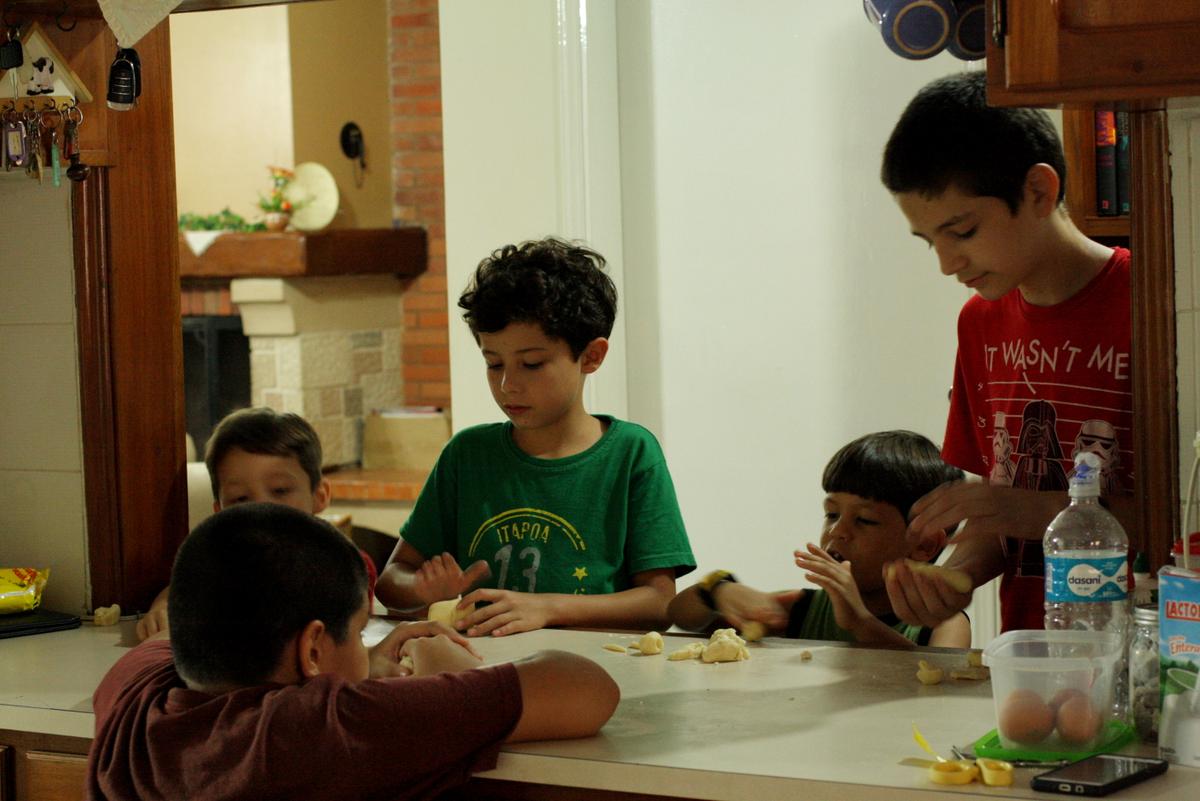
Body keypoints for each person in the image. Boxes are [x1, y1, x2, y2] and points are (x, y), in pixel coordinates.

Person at [87, 503, 619, 801]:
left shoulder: (131, 697)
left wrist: (364, 666)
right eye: (360, 633)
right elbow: (588, 689)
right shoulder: (328, 727)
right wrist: (442, 672)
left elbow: (161, 643)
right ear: (312, 649)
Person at [879, 70, 1133, 633]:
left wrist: (1039, 510)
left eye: (963, 231)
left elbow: (1183, 518)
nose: (946, 263)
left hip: (1149, 647)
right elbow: (999, 515)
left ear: (1038, 191)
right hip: (1034, 650)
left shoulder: (1154, 306)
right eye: (930, 241)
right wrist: (954, 576)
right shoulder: (979, 323)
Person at [376, 237, 696, 636]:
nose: (508, 384)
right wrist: (420, 588)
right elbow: (392, 580)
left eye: (531, 364)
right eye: (494, 364)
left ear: (592, 356)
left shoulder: (631, 454)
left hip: (598, 667)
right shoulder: (467, 454)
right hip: (482, 664)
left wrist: (546, 608)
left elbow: (659, 604)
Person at [668, 431, 971, 648]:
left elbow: (938, 690)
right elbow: (681, 614)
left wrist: (860, 623)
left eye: (864, 520)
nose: (837, 531)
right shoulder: (806, 608)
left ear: (924, 545)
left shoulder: (943, 623)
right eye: (832, 514)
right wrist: (718, 589)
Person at [136, 407, 378, 641]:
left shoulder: (347, 567)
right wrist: (162, 607)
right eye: (240, 498)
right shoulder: (219, 563)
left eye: (280, 490)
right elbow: (183, 587)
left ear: (320, 495)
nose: (262, 509)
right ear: (220, 513)